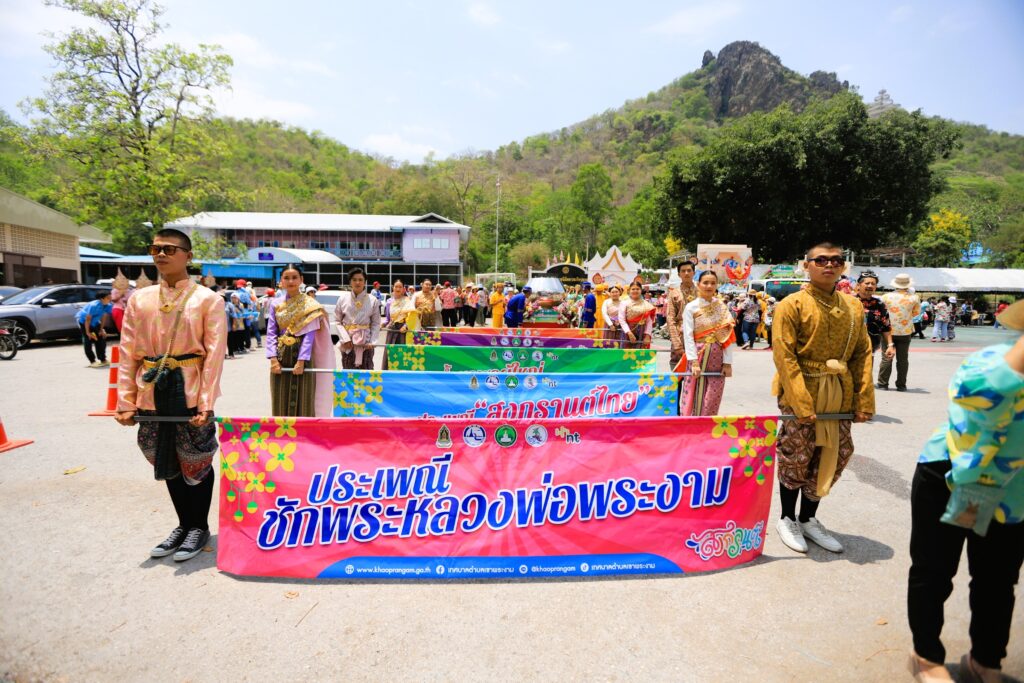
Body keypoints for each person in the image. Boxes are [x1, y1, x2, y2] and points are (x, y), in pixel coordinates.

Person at [906, 300, 1024, 682]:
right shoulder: (991, 361)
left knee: (997, 582)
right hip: (949, 475)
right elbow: (979, 394)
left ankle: (985, 660)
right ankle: (926, 656)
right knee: (934, 572)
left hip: (1014, 493)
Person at [114, 228, 226, 562]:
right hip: (152, 391)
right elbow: (128, 352)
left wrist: (206, 403)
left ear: (188, 256)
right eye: (155, 248)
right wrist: (125, 401)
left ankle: (199, 527)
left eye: (169, 249)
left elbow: (214, 355)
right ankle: (183, 524)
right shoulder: (140, 299)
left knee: (196, 459)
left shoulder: (208, 299)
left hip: (190, 391)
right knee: (165, 456)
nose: (161, 254)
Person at [772, 242, 874, 555]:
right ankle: (787, 518)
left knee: (835, 453)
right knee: (797, 453)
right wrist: (800, 402)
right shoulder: (791, 304)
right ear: (807, 265)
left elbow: (862, 353)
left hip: (840, 392)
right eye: (821, 260)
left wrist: (863, 400)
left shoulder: (853, 306)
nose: (829, 265)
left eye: (836, 260)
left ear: (843, 266)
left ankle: (808, 518)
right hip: (802, 389)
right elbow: (785, 355)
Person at [266, 265, 334, 417]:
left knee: (304, 400)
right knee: (280, 399)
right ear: (281, 281)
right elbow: (271, 333)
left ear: (301, 280)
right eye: (286, 278)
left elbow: (309, 336)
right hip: (281, 357)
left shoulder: (309, 304)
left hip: (303, 357)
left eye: (294, 277)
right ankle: (282, 431)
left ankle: (305, 432)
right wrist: (273, 359)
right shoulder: (275, 304)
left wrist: (301, 361)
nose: (291, 281)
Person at [679, 269, 735, 416]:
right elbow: (688, 336)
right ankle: (691, 424)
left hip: (717, 358)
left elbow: (728, 335)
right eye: (705, 283)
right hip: (698, 355)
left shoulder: (722, 306)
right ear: (698, 284)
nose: (709, 286)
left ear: (717, 285)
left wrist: (727, 363)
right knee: (693, 392)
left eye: (713, 283)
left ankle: (708, 425)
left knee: (713, 395)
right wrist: (694, 362)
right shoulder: (691, 307)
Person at [879, 273, 921, 392]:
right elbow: (916, 313)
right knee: (903, 360)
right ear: (908, 284)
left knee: (886, 357)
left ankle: (883, 384)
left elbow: (881, 313)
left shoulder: (885, 297)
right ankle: (901, 385)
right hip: (905, 331)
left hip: (887, 331)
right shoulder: (914, 298)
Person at [334, 267, 382, 370]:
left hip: (366, 343)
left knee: (367, 371)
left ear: (365, 282)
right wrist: (345, 339)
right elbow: (337, 321)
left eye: (360, 279)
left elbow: (376, 323)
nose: (357, 282)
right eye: (354, 279)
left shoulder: (373, 300)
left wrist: (372, 342)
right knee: (348, 371)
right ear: (350, 282)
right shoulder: (342, 299)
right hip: (348, 343)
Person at [853, 270, 894, 368]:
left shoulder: (880, 304)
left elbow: (886, 326)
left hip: (870, 346)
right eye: (867, 283)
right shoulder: (848, 301)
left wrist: (890, 345)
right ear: (858, 285)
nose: (870, 286)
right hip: (850, 347)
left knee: (866, 373)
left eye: (873, 284)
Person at [666, 261, 700, 371]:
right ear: (679, 274)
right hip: (680, 335)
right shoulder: (674, 293)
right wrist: (676, 343)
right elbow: (670, 318)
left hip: (699, 334)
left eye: (689, 270)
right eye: (683, 271)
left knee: (698, 366)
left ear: (694, 273)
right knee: (678, 368)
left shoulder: (701, 292)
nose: (686, 273)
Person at [382, 280, 415, 370]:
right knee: (389, 352)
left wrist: (406, 326)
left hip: (402, 331)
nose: (398, 289)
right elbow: (388, 319)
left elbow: (412, 317)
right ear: (393, 288)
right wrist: (383, 324)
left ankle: (401, 373)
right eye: (396, 286)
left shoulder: (407, 301)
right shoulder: (389, 302)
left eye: (400, 287)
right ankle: (387, 372)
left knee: (401, 353)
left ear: (404, 289)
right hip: (392, 330)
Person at [77, 290, 113, 367]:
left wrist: (101, 329)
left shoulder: (108, 305)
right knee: (88, 340)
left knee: (101, 339)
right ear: (101, 299)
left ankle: (103, 359)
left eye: (110, 297)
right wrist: (88, 332)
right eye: (108, 298)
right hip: (84, 322)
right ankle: (92, 361)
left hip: (95, 322)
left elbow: (104, 317)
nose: (110, 299)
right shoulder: (94, 306)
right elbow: (88, 319)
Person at [620, 283, 656, 350]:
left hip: (642, 333)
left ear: (641, 290)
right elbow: (622, 320)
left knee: (640, 354)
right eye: (633, 289)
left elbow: (649, 322)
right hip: (627, 332)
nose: (635, 291)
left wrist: (647, 335)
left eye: (637, 289)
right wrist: (629, 333)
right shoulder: (624, 303)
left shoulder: (646, 305)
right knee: (626, 353)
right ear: (629, 290)